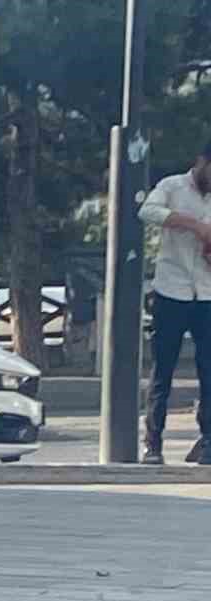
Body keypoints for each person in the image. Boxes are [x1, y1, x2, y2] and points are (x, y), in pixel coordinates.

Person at [137, 142, 211, 465]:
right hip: (171, 291)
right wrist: (193, 225)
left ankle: (208, 441)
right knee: (162, 371)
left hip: (207, 293)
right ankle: (153, 443)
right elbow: (147, 211)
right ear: (202, 162)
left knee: (209, 372)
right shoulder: (172, 186)